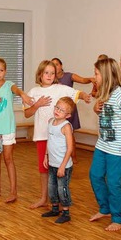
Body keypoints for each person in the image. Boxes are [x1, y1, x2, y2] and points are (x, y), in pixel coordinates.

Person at [24, 60, 90, 209]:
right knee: (44, 169)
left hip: (58, 137)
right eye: (46, 72)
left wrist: (84, 96)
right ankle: (44, 198)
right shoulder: (34, 92)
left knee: (59, 169)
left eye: (52, 73)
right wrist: (37, 105)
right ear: (40, 74)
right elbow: (27, 113)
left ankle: (61, 200)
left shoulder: (60, 88)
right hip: (42, 136)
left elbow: (76, 93)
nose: (49, 75)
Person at [88, 57, 121, 232]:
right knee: (95, 175)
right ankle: (105, 208)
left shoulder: (120, 94)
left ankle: (118, 217)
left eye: (96, 74)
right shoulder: (103, 92)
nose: (94, 77)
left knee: (114, 181)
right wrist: (95, 108)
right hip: (103, 144)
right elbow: (101, 110)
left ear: (106, 75)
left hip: (119, 148)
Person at [0, 57, 33, 203]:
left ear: (5, 72)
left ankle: (13, 192)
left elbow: (17, 90)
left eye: (1, 70)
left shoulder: (9, 85)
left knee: (8, 158)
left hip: (7, 128)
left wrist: (23, 95)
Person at [41, 97, 76, 224]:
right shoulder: (51, 122)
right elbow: (49, 141)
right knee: (52, 187)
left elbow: (70, 148)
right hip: (52, 163)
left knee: (62, 188)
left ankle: (66, 212)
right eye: (57, 107)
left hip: (64, 165)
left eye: (61, 110)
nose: (57, 111)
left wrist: (63, 166)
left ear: (68, 115)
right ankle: (55, 208)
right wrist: (46, 155)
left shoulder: (66, 126)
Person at [50, 57, 94, 131]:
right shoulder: (50, 78)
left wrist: (90, 79)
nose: (55, 66)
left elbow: (83, 80)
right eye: (52, 65)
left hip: (68, 107)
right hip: (57, 108)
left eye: (56, 64)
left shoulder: (69, 76)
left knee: (69, 131)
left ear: (61, 66)